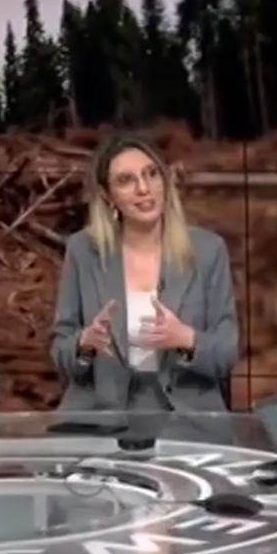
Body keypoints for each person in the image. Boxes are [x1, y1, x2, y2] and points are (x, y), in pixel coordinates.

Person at [50, 133, 238, 414]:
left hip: (186, 420)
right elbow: (59, 351)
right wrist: (84, 343)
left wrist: (186, 339)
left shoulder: (208, 251)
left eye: (151, 174)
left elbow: (226, 354)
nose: (143, 188)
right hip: (101, 418)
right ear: (108, 196)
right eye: (126, 180)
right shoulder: (83, 251)